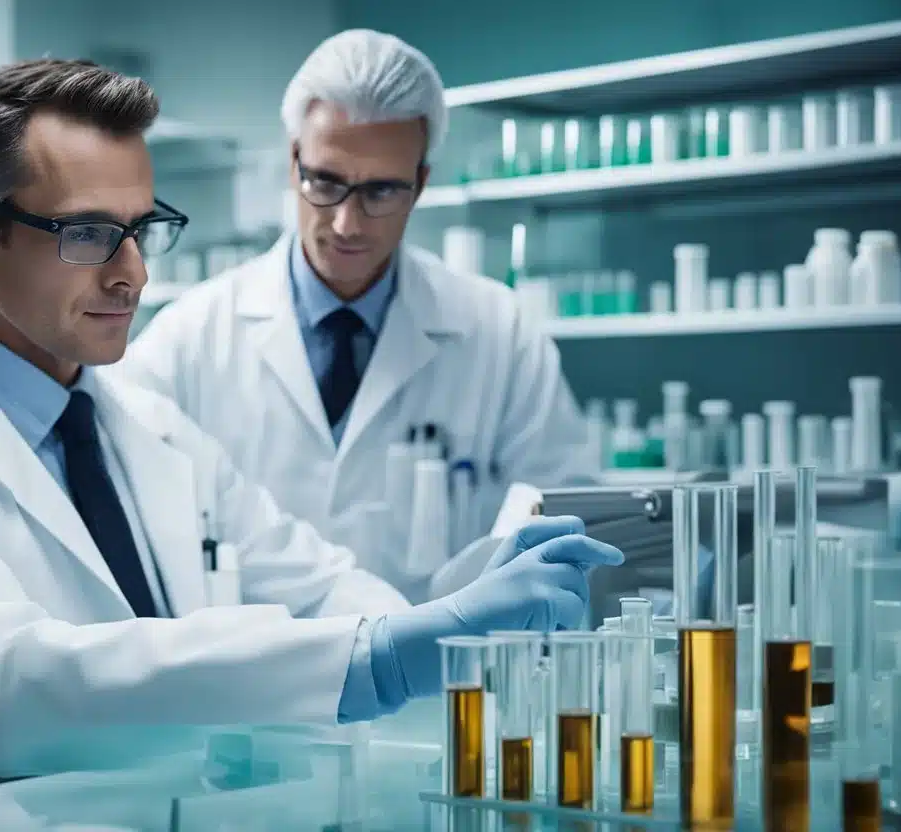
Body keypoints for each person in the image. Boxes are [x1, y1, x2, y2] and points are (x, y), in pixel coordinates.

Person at [0, 59, 622, 822]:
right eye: (88, 233)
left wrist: (451, 618)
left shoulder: (151, 429)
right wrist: (383, 660)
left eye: (142, 227)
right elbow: (6, 686)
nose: (131, 271)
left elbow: (322, 588)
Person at [122, 30, 598, 598]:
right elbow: (134, 518)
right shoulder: (189, 339)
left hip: (442, 676)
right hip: (261, 675)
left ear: (421, 183)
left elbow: (561, 516)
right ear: (293, 159)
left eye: (381, 191)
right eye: (326, 182)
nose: (348, 223)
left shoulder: (500, 332)